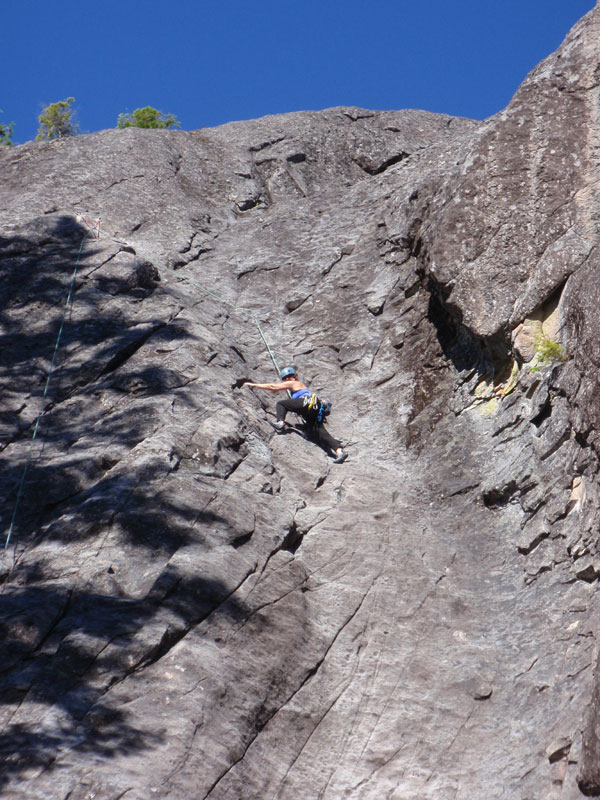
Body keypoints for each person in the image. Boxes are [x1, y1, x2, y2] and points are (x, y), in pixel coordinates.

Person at [244, 366, 348, 463]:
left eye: (289, 377)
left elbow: (273, 386)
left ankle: (280, 422)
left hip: (307, 403)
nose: (288, 380)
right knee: (320, 431)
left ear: (294, 377)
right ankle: (339, 452)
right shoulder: (299, 386)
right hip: (315, 409)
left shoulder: (294, 383)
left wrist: (254, 385)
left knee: (281, 404)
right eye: (286, 378)